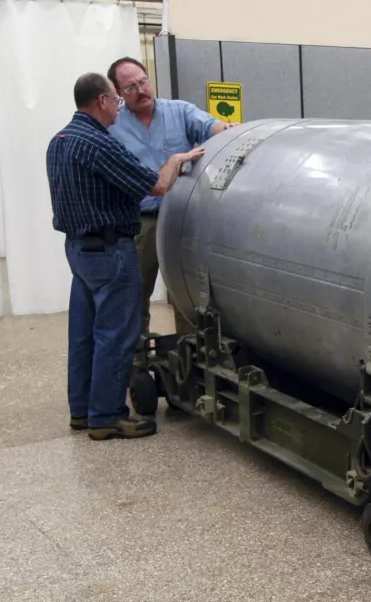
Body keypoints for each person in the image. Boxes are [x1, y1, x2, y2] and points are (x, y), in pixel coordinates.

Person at [47, 72, 204, 440]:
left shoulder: (60, 140)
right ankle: (106, 416)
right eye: (116, 99)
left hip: (78, 249)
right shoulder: (98, 144)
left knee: (84, 334)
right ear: (101, 101)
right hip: (110, 251)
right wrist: (177, 158)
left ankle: (83, 411)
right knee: (116, 334)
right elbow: (157, 184)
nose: (120, 107)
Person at [107, 57, 236, 342]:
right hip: (140, 223)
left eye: (143, 81)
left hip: (180, 217)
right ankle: (137, 362)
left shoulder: (179, 112)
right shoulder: (113, 126)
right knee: (134, 294)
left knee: (187, 293)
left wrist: (227, 130)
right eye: (130, 87)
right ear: (118, 94)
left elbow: (209, 126)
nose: (141, 90)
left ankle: (190, 360)